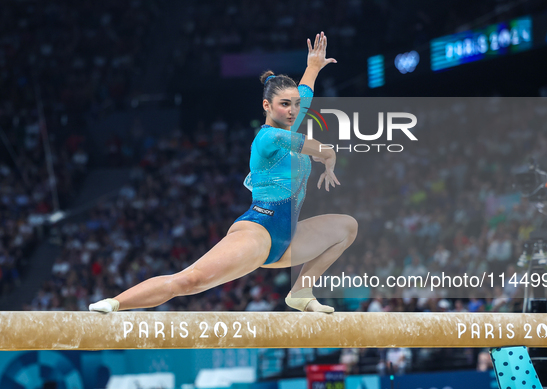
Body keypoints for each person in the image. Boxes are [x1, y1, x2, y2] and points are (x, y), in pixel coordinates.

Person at [90, 32, 357, 314]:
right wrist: (328, 156)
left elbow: (305, 93)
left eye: (294, 105)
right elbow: (320, 148)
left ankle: (301, 292)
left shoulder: (291, 120)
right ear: (267, 106)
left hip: (288, 237)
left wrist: (313, 67)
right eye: (284, 105)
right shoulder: (268, 137)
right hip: (259, 232)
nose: (292, 111)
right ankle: (114, 303)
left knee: (346, 227)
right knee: (190, 281)